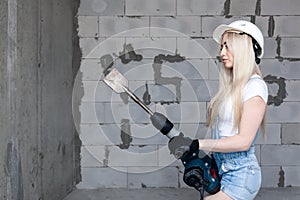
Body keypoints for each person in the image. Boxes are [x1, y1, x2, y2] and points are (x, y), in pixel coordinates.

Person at [169, 20, 268, 200]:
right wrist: (190, 147)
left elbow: (243, 142)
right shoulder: (233, 88)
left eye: (227, 46)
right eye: (221, 46)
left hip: (241, 176)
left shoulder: (255, 87)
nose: (222, 53)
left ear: (245, 49)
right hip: (222, 169)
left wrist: (198, 144)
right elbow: (224, 133)